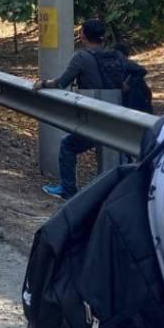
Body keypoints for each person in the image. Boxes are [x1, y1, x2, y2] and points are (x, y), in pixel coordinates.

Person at [35, 19, 138, 200]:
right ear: (102, 37)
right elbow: (136, 74)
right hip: (118, 118)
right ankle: (121, 194)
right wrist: (123, 86)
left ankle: (68, 190)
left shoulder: (81, 57)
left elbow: (61, 83)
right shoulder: (116, 56)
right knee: (118, 153)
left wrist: (43, 83)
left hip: (94, 119)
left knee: (68, 146)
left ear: (83, 35)